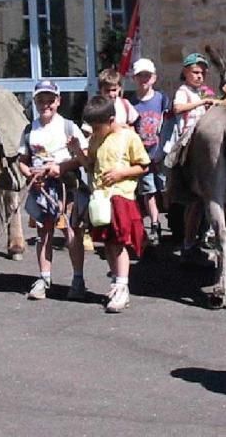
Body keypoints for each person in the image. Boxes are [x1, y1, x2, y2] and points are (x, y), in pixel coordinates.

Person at [17, 79, 89, 301]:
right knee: (44, 233)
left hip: (66, 186)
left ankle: (78, 280)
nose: (45, 104)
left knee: (71, 232)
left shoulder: (68, 127)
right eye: (41, 100)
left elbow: (84, 157)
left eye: (50, 100)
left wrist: (62, 167)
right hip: (41, 189)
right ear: (35, 102)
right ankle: (44, 278)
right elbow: (22, 161)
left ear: (58, 101)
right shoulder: (30, 130)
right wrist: (30, 175)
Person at [79, 94, 149, 313]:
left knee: (118, 243)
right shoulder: (96, 139)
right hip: (101, 198)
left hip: (121, 197)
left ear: (110, 120)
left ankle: (122, 286)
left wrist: (121, 173)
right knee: (108, 242)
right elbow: (90, 165)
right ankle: (116, 282)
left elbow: (143, 166)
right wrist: (76, 151)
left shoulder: (129, 137)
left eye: (97, 127)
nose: (94, 131)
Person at [169, 52, 215, 264]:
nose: (199, 76)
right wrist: (200, 103)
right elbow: (177, 108)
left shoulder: (203, 92)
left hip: (205, 141)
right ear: (186, 72)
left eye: (202, 73)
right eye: (195, 72)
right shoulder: (184, 91)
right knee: (194, 203)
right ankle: (188, 243)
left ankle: (201, 239)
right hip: (189, 141)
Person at [129, 57, 171, 246]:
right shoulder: (131, 102)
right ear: (134, 78)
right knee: (149, 190)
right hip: (142, 155)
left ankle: (171, 217)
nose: (144, 80)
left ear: (154, 78)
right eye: (140, 76)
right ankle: (155, 223)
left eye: (147, 76)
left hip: (159, 151)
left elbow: (169, 122)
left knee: (165, 187)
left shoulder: (161, 99)